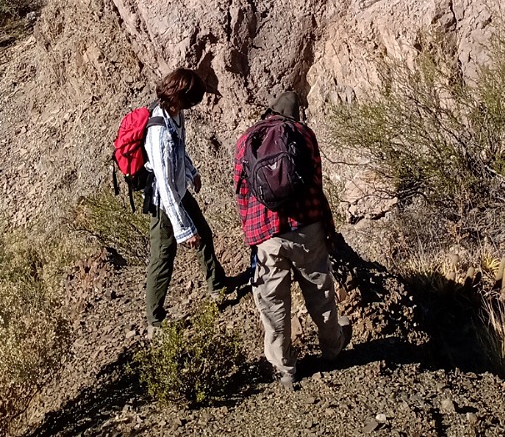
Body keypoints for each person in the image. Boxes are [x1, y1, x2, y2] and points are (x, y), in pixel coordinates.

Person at [233, 91, 351, 389]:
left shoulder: (247, 139)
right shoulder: (303, 134)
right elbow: (316, 183)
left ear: (269, 112)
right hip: (307, 226)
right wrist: (327, 226)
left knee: (272, 301)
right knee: (319, 290)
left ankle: (284, 367)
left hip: (266, 235)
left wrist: (252, 234)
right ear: (295, 114)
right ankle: (333, 349)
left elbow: (240, 190)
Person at [144, 68, 228, 336]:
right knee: (163, 258)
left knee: (205, 235)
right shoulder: (159, 130)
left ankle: (217, 285)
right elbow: (165, 184)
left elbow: (180, 151)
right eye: (192, 100)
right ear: (180, 96)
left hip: (180, 192)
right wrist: (183, 229)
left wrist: (192, 173)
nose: (194, 106)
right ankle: (155, 320)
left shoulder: (175, 115)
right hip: (165, 202)